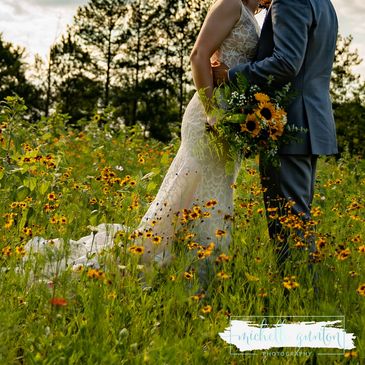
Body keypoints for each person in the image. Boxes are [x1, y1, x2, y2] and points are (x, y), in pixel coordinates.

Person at [25, 0, 263, 277]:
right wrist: (212, 111)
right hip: (209, 117)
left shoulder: (251, 12)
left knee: (215, 192)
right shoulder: (230, 4)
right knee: (194, 192)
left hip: (232, 120)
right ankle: (192, 268)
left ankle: (198, 266)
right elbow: (198, 55)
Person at [212, 0, 338, 268]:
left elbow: (286, 63)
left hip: (289, 121)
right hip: (312, 120)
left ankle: (298, 296)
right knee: (296, 217)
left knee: (288, 221)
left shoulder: (290, 1)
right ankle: (303, 295)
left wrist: (231, 75)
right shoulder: (324, 4)